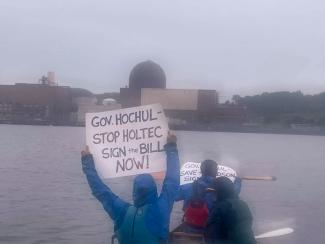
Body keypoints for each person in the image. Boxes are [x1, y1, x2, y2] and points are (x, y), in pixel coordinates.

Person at [81, 133, 180, 244]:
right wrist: (171, 148)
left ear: (134, 191)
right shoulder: (160, 210)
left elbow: (100, 191)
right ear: (154, 189)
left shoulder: (121, 211)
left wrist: (87, 163)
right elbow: (172, 181)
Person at [205, 176, 256, 244]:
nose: (212, 195)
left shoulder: (219, 208)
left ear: (219, 192)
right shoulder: (243, 204)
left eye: (214, 192)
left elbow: (211, 234)